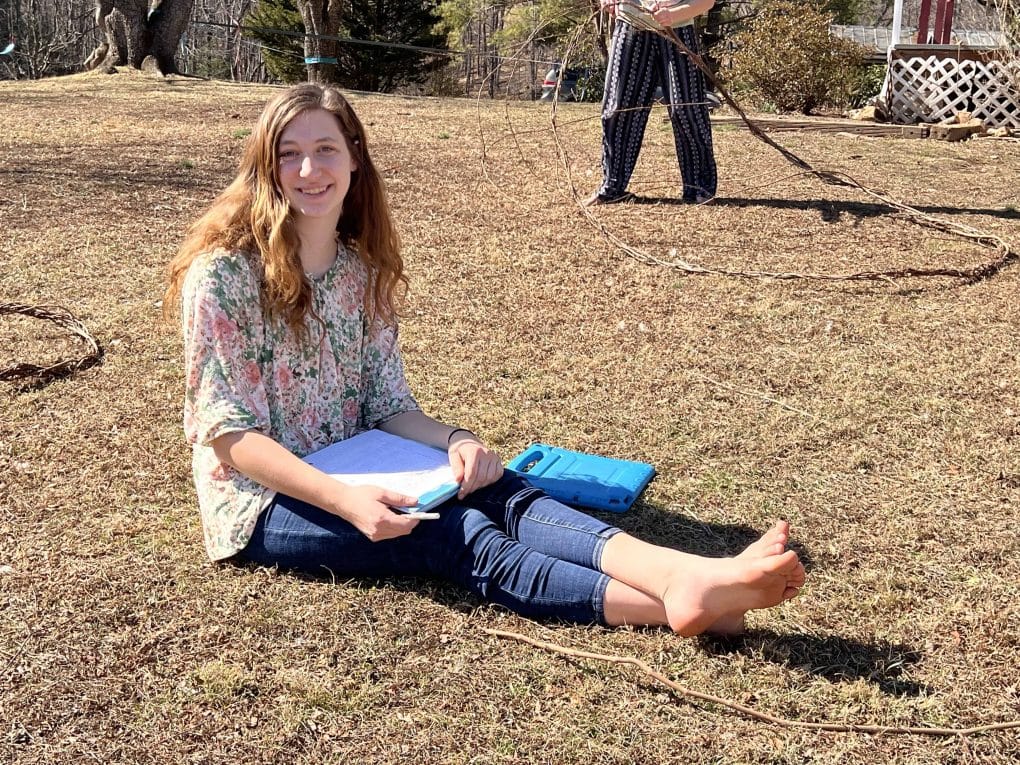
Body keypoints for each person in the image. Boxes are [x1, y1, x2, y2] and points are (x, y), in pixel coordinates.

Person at [164, 83, 804, 637]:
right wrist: (344, 502)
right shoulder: (223, 274)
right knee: (456, 533)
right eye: (289, 155)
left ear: (355, 159)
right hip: (263, 501)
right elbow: (229, 437)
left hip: (359, 462)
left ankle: (682, 577)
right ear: (265, 167)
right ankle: (679, 601)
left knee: (496, 487)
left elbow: (388, 405)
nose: (309, 170)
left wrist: (461, 442)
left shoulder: (358, 267)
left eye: (325, 149)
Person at [586, 0, 718, 205]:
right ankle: (612, 187)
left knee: (686, 110)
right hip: (630, 25)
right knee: (618, 109)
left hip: (678, 30)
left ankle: (699, 188)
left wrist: (674, 13)